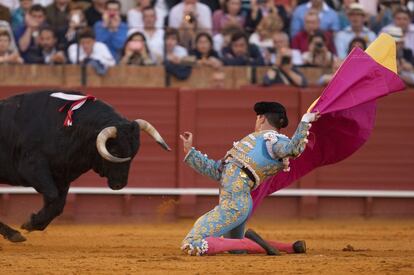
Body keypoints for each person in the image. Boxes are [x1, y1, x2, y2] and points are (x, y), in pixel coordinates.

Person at [180, 101, 319, 256]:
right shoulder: (252, 141)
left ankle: (248, 241)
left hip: (235, 204)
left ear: (261, 119)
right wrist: (190, 151)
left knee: (192, 243)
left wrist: (305, 120)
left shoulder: (275, 141)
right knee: (236, 249)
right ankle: (290, 247)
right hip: (235, 203)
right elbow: (217, 171)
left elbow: (293, 149)